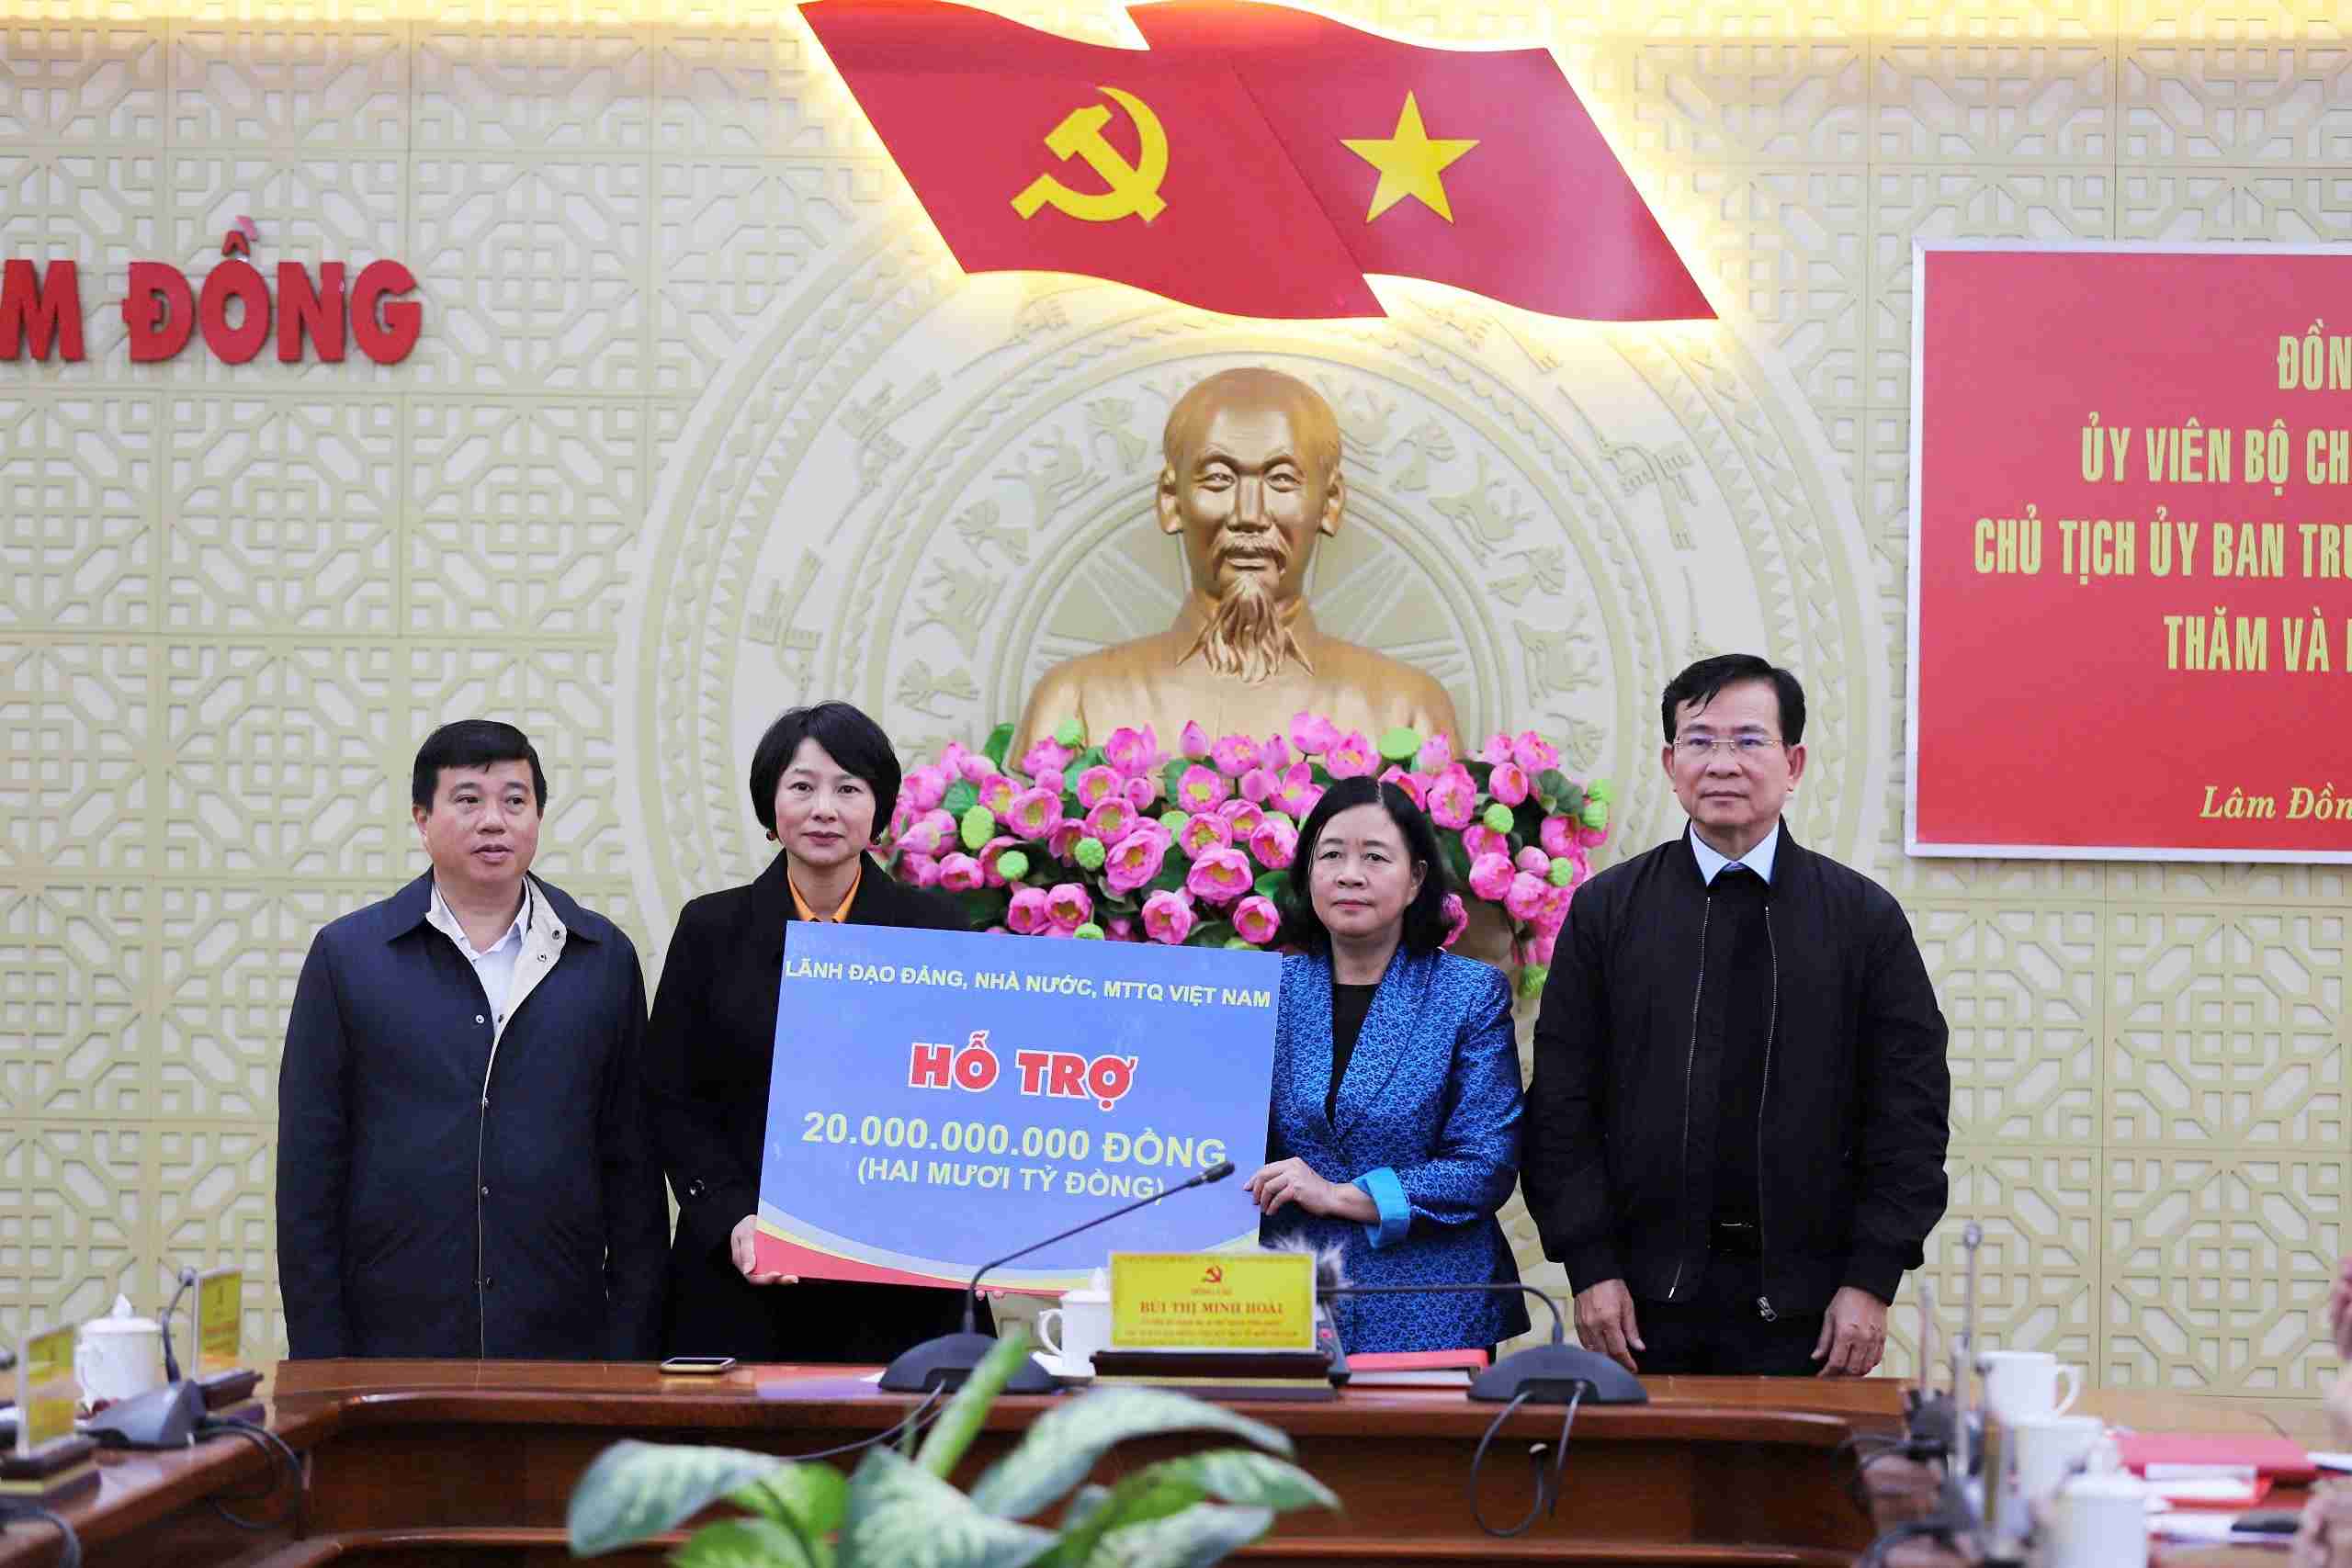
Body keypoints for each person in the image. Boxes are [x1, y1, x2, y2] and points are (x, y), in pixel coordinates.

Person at [1522, 654, 1951, 1377]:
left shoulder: (1862, 919)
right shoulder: (1607, 912)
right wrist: (1589, 1264)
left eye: (1749, 740)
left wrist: (1872, 1278)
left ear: (1794, 762)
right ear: (1669, 761)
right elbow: (1561, 1103)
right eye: (1700, 739)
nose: (1723, 761)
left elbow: (1909, 1114)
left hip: (1811, 1312)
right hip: (1639, 1306)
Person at [277, 720, 666, 1359]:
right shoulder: (349, 959)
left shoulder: (602, 958)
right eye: (468, 799)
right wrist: (325, 1360)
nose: (494, 821)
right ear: (421, 818)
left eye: (515, 800)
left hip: (562, 1343)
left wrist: (628, 1350)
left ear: (538, 815)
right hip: (393, 1346)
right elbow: (307, 1183)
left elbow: (634, 1180)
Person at [648, 700, 990, 1361]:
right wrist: (732, 1218)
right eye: (802, 786)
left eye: (848, 788)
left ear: (878, 809)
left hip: (899, 1282)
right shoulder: (711, 931)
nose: (824, 808)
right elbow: (672, 1099)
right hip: (743, 1274)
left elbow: (967, 1096)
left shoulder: (940, 932)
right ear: (771, 806)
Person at [1009, 367, 1461, 758]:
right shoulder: (1075, 704)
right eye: (1219, 478)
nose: (1249, 515)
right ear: (1170, 500)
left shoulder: (1406, 712)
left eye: (1282, 479)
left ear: (1330, 502)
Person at [1247, 775, 1528, 1355]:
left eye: (1375, 857)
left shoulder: (1468, 993)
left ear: (1416, 879)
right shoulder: (1264, 991)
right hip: (1280, 1304)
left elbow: (1484, 1166)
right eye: (1331, 855)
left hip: (1431, 1306)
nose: (1350, 874)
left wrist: (1338, 1195)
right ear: (1308, 874)